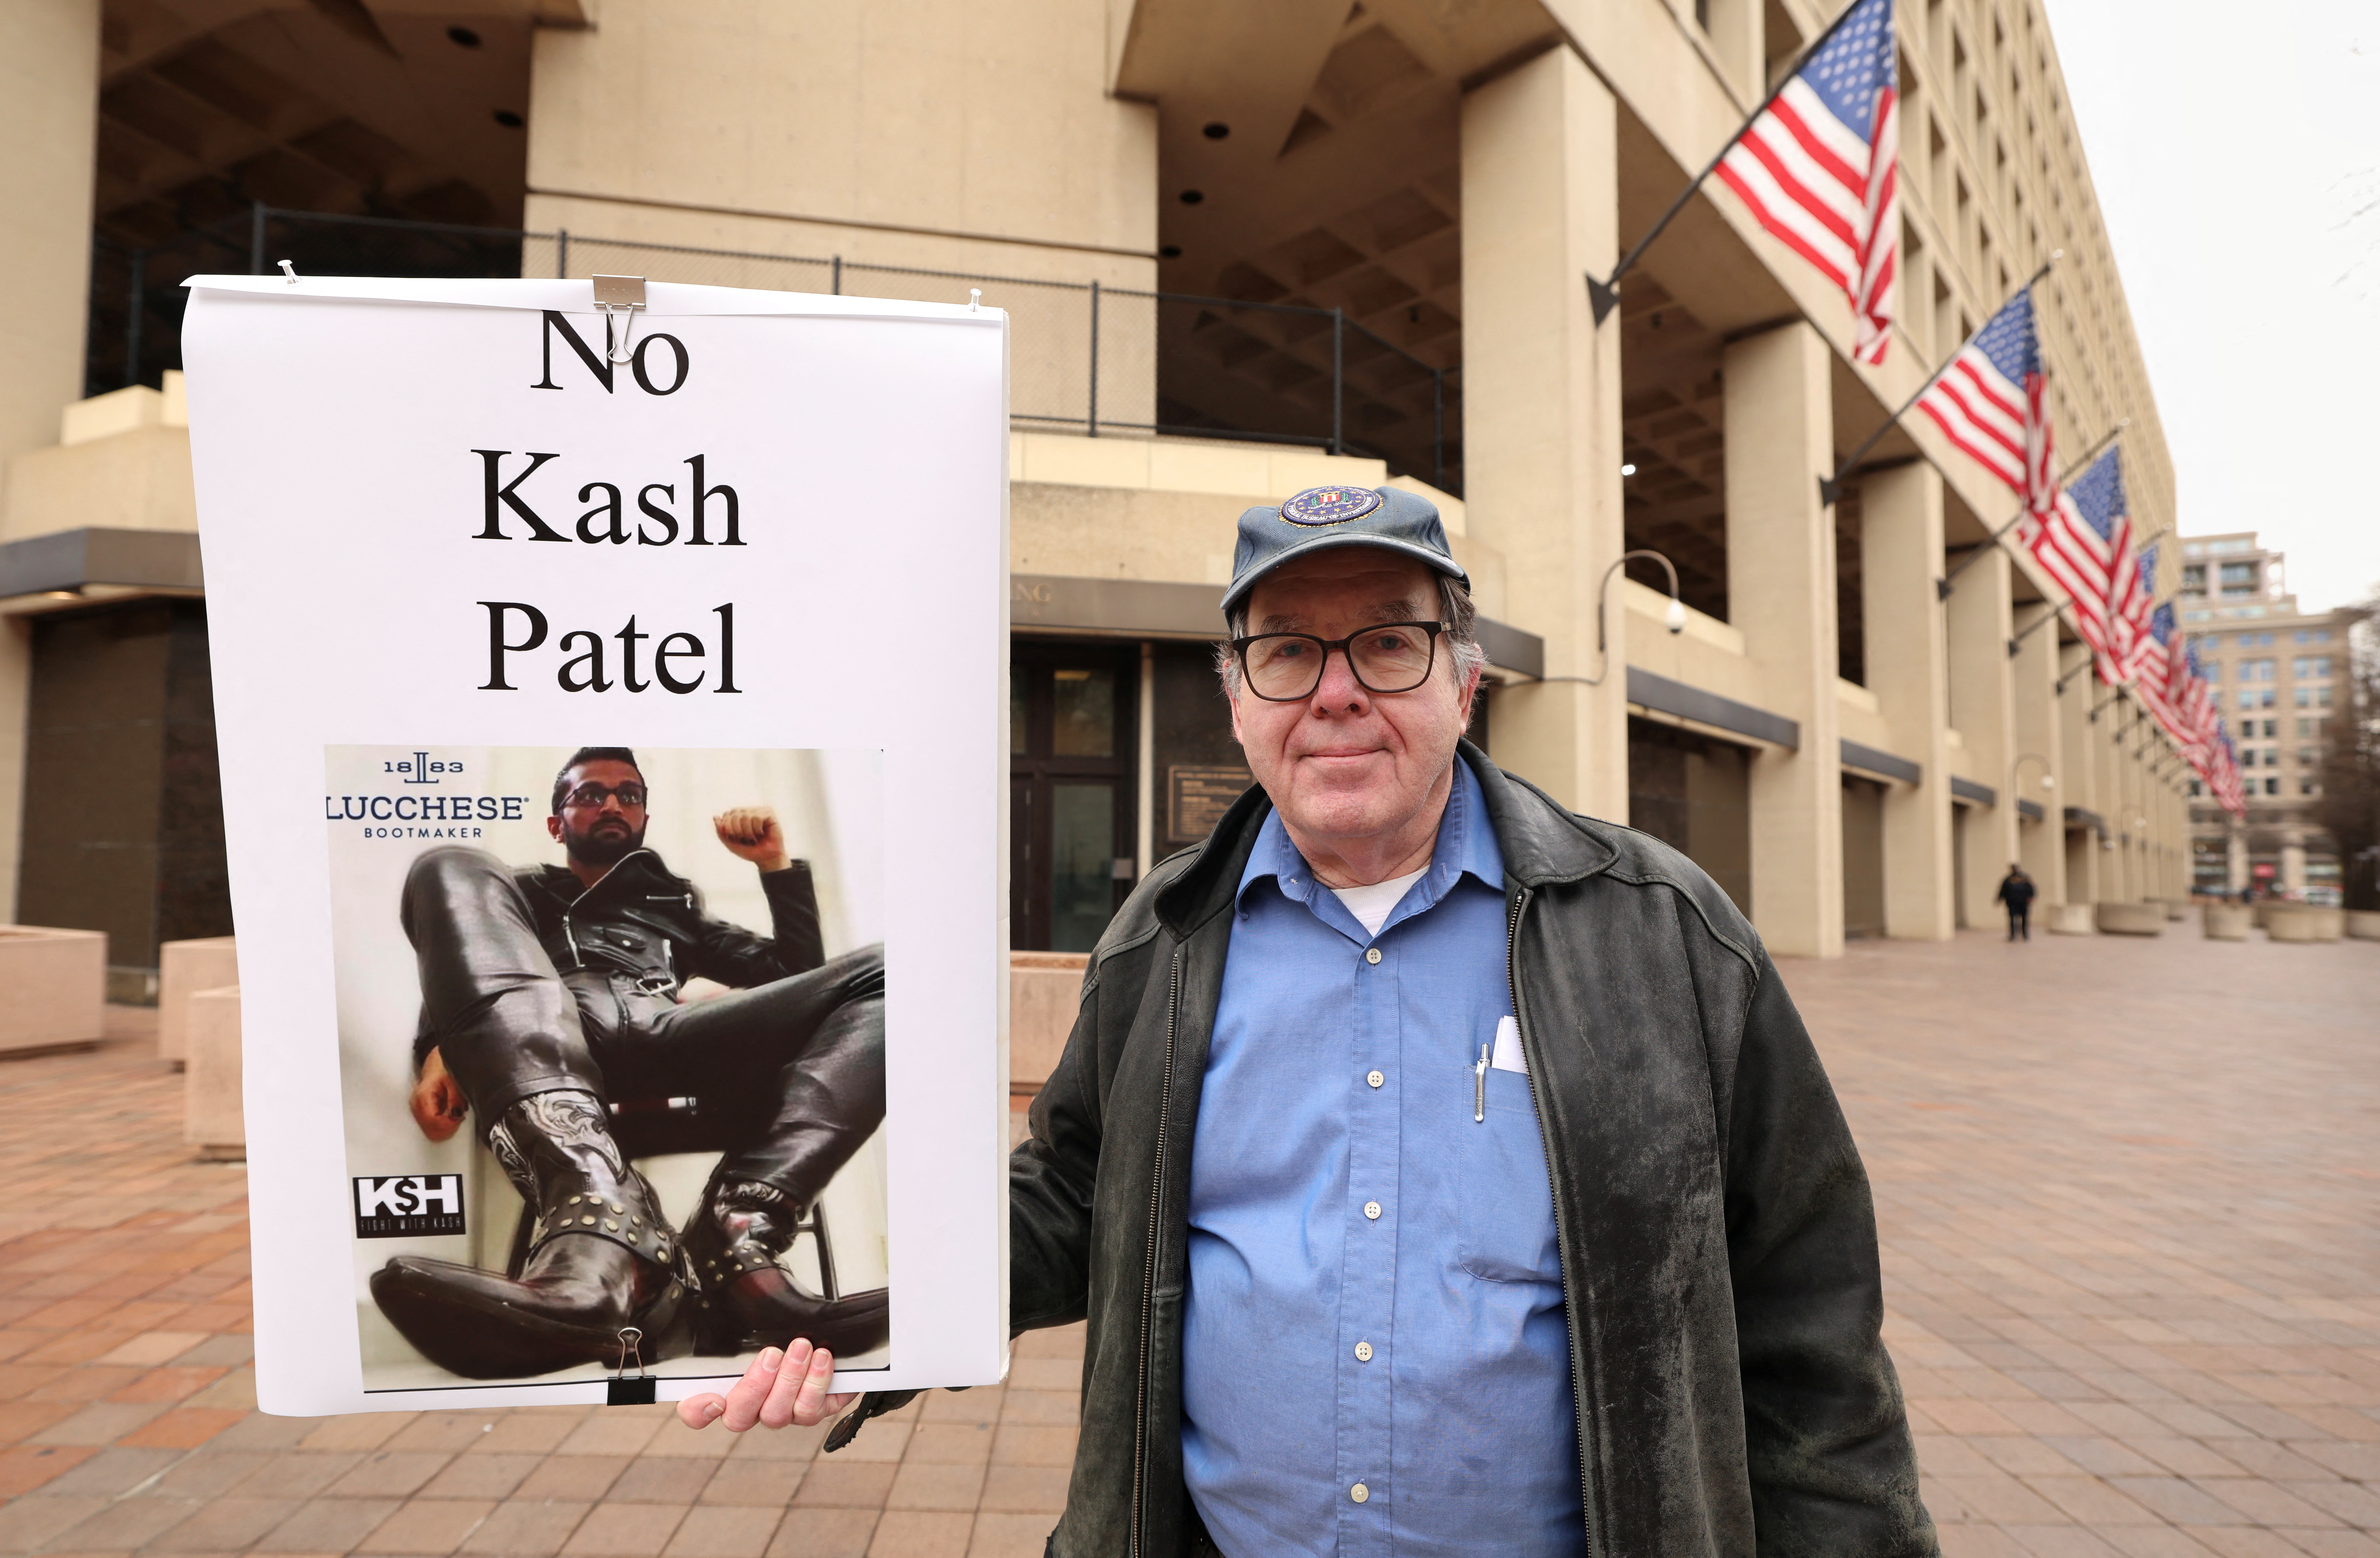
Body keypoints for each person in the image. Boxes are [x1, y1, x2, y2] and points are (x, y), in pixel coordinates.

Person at [682, 486, 1936, 1557]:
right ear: (1237, 699)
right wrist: (884, 1314)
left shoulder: (1663, 937)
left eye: (1388, 643)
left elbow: (1811, 1323)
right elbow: (1073, 1190)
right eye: (1287, 651)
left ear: (1465, 681)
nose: (1335, 693)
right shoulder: (1164, 938)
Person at [368, 746, 887, 1379]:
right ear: (557, 822)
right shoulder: (514, 893)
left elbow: (799, 980)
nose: (613, 803)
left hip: (670, 1037)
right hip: (547, 1048)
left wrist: (774, 866)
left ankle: (736, 1231)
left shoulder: (674, 906)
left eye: (629, 794)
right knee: (447, 864)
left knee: (889, 975)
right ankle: (600, 1211)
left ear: (643, 817)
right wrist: (436, 1051)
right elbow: (463, 966)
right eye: (591, 793)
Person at [1996, 864, 2038, 940]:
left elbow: (2031, 888)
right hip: (2012, 903)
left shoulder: (2025, 878)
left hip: (2023, 903)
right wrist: (1999, 899)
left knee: (2024, 919)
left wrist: (2031, 897)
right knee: (2012, 919)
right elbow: (2003, 890)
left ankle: (2025, 934)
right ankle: (2013, 935)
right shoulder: (2008, 880)